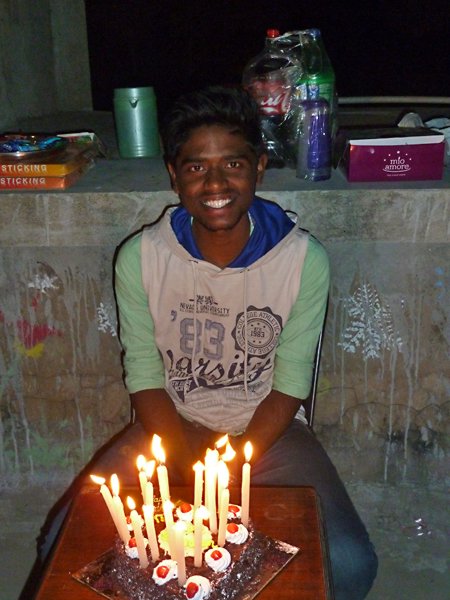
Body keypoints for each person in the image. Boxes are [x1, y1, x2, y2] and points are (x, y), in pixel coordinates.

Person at [39, 86, 377, 600]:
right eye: (196, 167)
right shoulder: (142, 258)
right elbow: (145, 374)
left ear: (259, 167)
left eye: (233, 164)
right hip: (169, 425)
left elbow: (290, 384)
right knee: (62, 542)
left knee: (348, 562)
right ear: (174, 176)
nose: (216, 183)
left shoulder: (302, 260)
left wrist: (229, 471)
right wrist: (181, 462)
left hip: (267, 434)